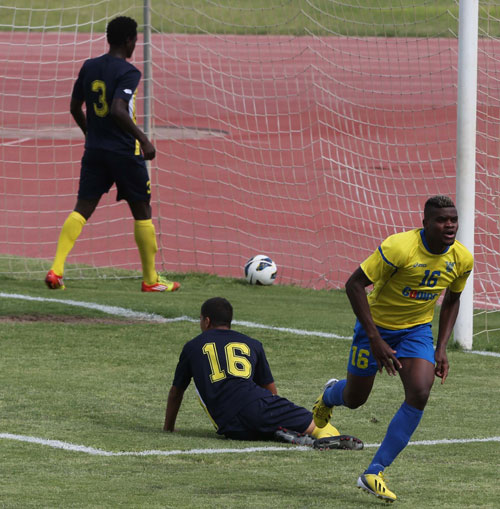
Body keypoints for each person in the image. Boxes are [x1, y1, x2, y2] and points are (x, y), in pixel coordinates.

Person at [313, 195, 473, 502]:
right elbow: (354, 285)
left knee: (420, 391)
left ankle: (374, 471)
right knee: (355, 398)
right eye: (442, 220)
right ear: (425, 223)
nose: (449, 225)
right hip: (375, 327)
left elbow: (453, 298)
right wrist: (375, 338)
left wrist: (441, 348)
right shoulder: (399, 247)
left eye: (453, 219)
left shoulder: (462, 258)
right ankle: (330, 395)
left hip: (416, 331)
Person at [45, 16, 179, 293]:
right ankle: (151, 280)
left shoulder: (90, 66)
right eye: (135, 40)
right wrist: (143, 139)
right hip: (123, 152)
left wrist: (90, 134)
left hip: (95, 151)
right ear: (130, 41)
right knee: (142, 210)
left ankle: (56, 270)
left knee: (82, 209)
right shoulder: (129, 72)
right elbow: (118, 109)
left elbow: (74, 107)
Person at [164, 297, 363, 450]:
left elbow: (176, 392)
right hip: (255, 404)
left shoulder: (192, 347)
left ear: (206, 321)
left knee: (259, 427)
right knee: (318, 426)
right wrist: (274, 412)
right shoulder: (252, 344)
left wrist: (168, 428)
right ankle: (323, 438)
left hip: (229, 426)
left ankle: (285, 434)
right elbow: (270, 390)